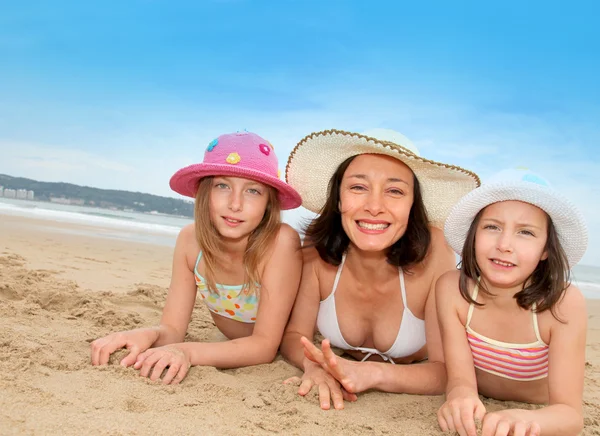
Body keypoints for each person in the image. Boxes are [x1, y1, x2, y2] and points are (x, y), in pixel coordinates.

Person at [280, 128, 480, 409]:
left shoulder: (435, 248)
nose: (374, 206)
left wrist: (371, 374)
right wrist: (312, 366)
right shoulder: (319, 243)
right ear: (338, 199)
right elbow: (293, 336)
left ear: (413, 205)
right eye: (358, 187)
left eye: (395, 191)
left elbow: (445, 372)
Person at [90, 131, 303, 384]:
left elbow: (264, 347)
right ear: (205, 192)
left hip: (284, 346)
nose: (235, 204)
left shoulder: (280, 242)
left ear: (269, 202)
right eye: (222, 186)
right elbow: (172, 331)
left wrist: (187, 352)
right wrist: (145, 334)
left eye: (253, 191)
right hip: (232, 346)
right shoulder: (190, 242)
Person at [437, 168, 588, 436]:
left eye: (526, 233)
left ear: (545, 250)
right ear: (473, 236)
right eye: (492, 227)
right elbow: (460, 379)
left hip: (538, 405)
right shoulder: (452, 289)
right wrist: (460, 396)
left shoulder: (562, 304)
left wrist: (529, 420)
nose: (505, 244)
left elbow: (570, 414)